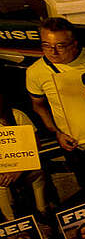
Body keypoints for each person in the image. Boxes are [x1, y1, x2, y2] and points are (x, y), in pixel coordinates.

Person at [26, 18, 85, 192]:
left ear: (74, 44)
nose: (53, 52)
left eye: (60, 46)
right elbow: (38, 106)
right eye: (46, 45)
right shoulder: (35, 72)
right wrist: (57, 132)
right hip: (73, 142)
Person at [0, 92, 47, 221]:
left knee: (42, 209)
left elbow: (36, 146)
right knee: (9, 214)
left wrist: (19, 169)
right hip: (3, 176)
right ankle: (14, 226)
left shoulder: (17, 115)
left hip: (27, 170)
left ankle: (44, 219)